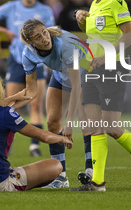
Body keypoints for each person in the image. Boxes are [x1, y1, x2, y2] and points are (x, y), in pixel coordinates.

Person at [71, 0, 131, 191]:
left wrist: (107, 56)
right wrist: (81, 19)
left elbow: (130, 36)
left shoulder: (116, 2)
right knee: (94, 124)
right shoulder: (94, 5)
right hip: (91, 68)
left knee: (110, 125)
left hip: (112, 69)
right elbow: (94, 35)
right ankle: (98, 182)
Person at [0, 0, 55, 157]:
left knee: (36, 105)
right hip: (16, 60)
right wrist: (4, 31)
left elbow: (52, 34)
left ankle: (34, 146)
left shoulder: (45, 10)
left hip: (37, 61)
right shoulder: (11, 7)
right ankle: (6, 143)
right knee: (11, 104)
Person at [0, 69, 72, 192]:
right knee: (55, 165)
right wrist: (61, 138)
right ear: (1, 90)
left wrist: (15, 97)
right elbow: (44, 136)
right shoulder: (6, 114)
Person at [15, 18, 92, 188]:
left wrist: (70, 123)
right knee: (52, 123)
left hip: (88, 74)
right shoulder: (28, 53)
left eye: (44, 32)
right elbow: (31, 91)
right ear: (30, 42)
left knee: (87, 122)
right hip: (61, 75)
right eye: (38, 37)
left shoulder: (65, 45)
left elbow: (76, 88)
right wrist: (4, 105)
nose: (44, 38)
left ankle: (91, 172)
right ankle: (60, 177)